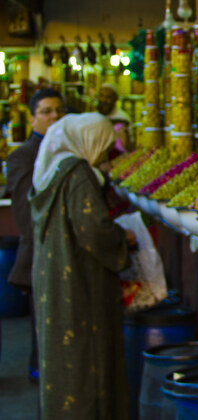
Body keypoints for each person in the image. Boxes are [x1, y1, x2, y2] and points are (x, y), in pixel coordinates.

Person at [29, 113, 136, 420]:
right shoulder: (78, 174)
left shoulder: (53, 170)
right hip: (79, 281)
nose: (104, 154)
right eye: (102, 145)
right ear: (86, 141)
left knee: (63, 357)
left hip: (56, 279)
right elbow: (94, 229)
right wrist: (122, 238)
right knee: (87, 356)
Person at [5, 87, 65, 383]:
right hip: (42, 250)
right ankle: (41, 373)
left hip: (65, 251)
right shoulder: (23, 157)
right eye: (46, 111)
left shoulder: (67, 151)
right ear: (32, 119)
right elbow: (24, 213)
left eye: (58, 111)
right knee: (44, 321)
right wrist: (50, 245)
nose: (54, 117)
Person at [97, 83, 132, 153]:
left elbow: (129, 144)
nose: (104, 100)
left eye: (108, 97)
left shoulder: (123, 118)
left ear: (115, 99)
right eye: (101, 96)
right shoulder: (94, 116)